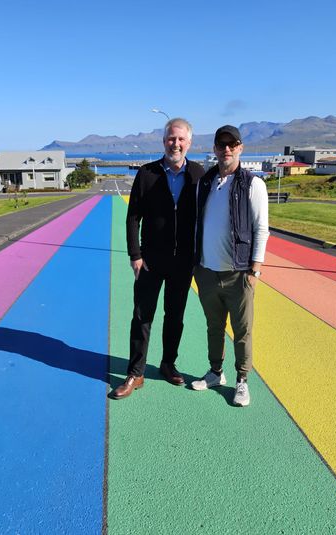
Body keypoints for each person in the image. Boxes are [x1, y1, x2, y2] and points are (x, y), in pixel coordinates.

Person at [110, 118, 205, 400]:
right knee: (142, 317)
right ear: (163, 141)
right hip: (150, 260)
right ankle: (135, 373)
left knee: (175, 317)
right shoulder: (147, 174)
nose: (175, 144)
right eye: (170, 139)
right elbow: (133, 217)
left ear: (190, 142)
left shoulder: (199, 175)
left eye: (181, 139)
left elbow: (206, 219)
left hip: (183, 261)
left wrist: (200, 257)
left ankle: (167, 364)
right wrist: (135, 255)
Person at [191, 125, 269, 407]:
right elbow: (199, 223)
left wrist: (254, 270)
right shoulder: (206, 181)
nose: (226, 149)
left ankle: (242, 381)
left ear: (240, 148)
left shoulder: (253, 184)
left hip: (239, 274)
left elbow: (261, 229)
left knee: (242, 330)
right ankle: (216, 372)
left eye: (232, 144)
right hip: (207, 271)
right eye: (221, 144)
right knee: (214, 326)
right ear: (214, 148)